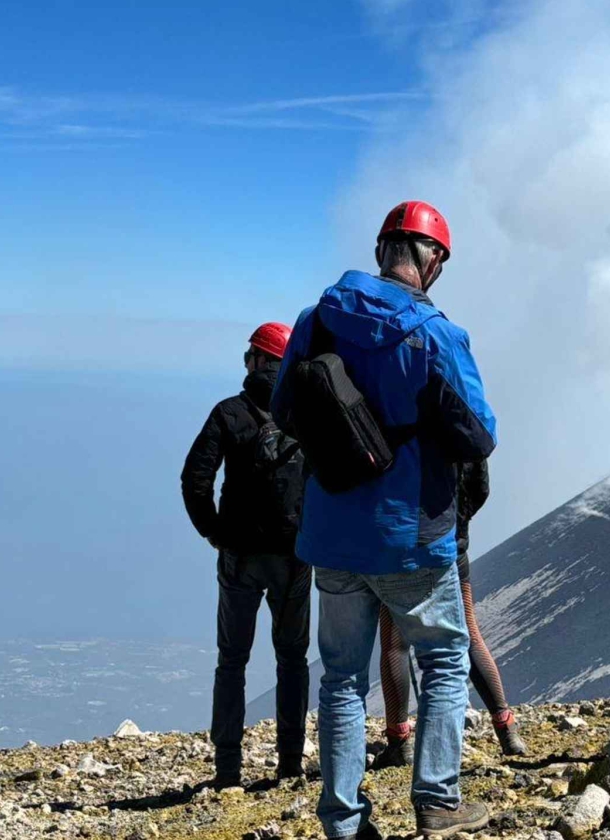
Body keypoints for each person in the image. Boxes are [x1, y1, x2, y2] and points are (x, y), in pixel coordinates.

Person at [272, 201, 497, 840]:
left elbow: (284, 411)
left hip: (332, 534)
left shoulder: (315, 321)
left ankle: (343, 822)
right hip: (410, 537)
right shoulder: (437, 334)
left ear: (381, 251)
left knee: (341, 678)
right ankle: (437, 801)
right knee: (444, 659)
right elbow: (478, 436)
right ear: (433, 259)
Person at [180, 322, 310, 787]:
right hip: (294, 555)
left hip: (240, 555)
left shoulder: (229, 413)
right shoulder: (304, 412)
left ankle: (228, 770)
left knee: (232, 661)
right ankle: (290, 765)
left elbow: (195, 480)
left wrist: (215, 533)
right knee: (292, 660)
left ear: (257, 361)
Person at [374, 460, 526, 768]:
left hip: (400, 550)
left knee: (394, 645)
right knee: (469, 634)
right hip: (451, 544)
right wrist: (457, 521)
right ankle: (506, 728)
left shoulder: (394, 428)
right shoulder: (455, 428)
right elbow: (479, 484)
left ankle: (399, 742)